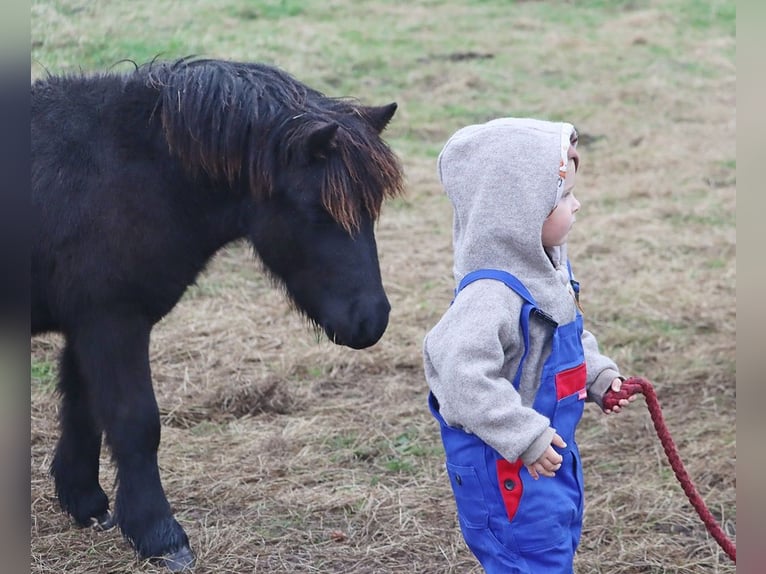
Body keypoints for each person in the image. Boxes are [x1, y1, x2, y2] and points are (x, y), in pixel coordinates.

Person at [423, 117, 636, 573]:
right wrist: (524, 436)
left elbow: (570, 335)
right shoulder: (490, 296)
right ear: (517, 210)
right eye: (562, 196)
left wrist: (598, 375)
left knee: (554, 548)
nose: (576, 205)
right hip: (507, 471)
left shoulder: (546, 271)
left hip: (549, 460)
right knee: (530, 560)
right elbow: (458, 376)